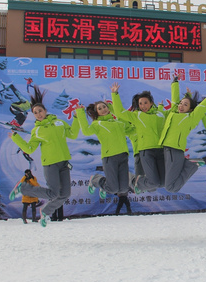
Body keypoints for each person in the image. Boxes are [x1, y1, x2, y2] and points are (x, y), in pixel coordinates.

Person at [9, 86, 80, 227]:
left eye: (40, 111)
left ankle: (46, 212)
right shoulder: (37, 130)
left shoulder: (59, 122)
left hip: (64, 163)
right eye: (35, 113)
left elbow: (73, 134)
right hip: (50, 164)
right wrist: (16, 137)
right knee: (53, 193)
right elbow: (29, 148)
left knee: (65, 194)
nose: (38, 114)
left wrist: (77, 117)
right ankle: (23, 188)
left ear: (45, 111)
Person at [159, 80, 206, 193]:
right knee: (168, 184)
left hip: (175, 150)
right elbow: (175, 99)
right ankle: (188, 164)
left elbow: (203, 106)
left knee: (170, 187)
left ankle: (191, 165)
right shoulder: (173, 113)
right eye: (181, 103)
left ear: (191, 109)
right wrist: (175, 83)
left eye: (185, 105)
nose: (181, 106)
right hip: (167, 149)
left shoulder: (190, 118)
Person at [111, 83, 175, 194]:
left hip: (160, 150)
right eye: (140, 103)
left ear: (151, 103)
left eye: (145, 103)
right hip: (146, 151)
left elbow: (174, 108)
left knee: (164, 183)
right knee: (153, 183)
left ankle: (138, 181)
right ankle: (137, 182)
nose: (143, 106)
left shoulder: (161, 114)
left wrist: (175, 83)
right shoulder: (137, 115)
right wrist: (115, 94)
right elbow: (119, 112)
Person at [76, 99, 133, 214]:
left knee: (123, 189)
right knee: (112, 189)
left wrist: (114, 110)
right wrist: (80, 112)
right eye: (99, 109)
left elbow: (128, 127)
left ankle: (103, 184)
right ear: (96, 112)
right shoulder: (97, 124)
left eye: (104, 107)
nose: (103, 109)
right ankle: (96, 179)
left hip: (123, 155)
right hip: (109, 157)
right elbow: (86, 131)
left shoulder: (118, 122)